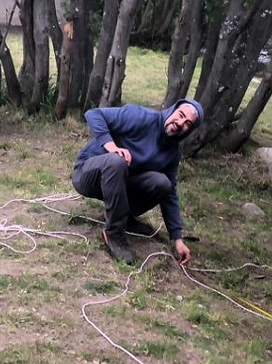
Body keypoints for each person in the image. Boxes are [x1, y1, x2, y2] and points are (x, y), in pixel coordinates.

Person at [72, 99, 204, 265]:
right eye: (181, 115)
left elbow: (169, 194)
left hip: (118, 183)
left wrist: (177, 238)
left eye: (187, 124)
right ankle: (114, 232)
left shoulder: (172, 153)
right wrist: (113, 148)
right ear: (173, 110)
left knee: (163, 183)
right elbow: (94, 114)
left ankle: (122, 216)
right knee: (115, 161)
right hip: (88, 173)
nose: (180, 123)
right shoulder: (142, 117)